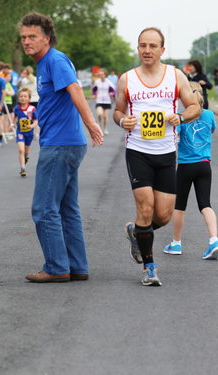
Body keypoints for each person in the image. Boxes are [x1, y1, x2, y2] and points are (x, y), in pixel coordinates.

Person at [19, 13, 103, 283]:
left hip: (60, 145)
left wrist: (91, 124)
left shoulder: (55, 60)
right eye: (23, 37)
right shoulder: (44, 63)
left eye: (33, 37)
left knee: (43, 208)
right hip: (63, 143)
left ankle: (56, 267)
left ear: (46, 37)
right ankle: (77, 266)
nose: (27, 42)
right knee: (67, 208)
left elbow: (75, 89)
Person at [113, 27, 200, 286]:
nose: (147, 50)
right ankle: (149, 269)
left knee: (162, 216)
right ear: (137, 48)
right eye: (142, 45)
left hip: (166, 153)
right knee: (145, 207)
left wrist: (181, 117)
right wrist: (122, 122)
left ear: (162, 50)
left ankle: (136, 231)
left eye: (152, 46)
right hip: (138, 151)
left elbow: (195, 106)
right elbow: (117, 111)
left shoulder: (175, 76)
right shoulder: (127, 79)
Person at [163, 82, 218, 259]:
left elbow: (175, 137)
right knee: (205, 204)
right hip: (204, 165)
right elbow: (213, 130)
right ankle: (214, 240)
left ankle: (176, 243)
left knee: (179, 206)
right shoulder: (209, 114)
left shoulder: (181, 117)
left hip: (186, 166)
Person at [11, 87, 37, 177]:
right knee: (21, 150)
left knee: (26, 151)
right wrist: (13, 124)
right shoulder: (17, 108)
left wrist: (32, 126)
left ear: (29, 98)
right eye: (21, 96)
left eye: (25, 96)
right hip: (20, 132)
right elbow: (14, 117)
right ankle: (22, 168)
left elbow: (36, 120)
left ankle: (26, 156)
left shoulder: (32, 109)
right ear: (19, 98)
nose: (23, 98)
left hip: (29, 133)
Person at [92, 69, 115, 135]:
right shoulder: (97, 82)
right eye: (100, 75)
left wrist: (112, 93)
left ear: (105, 75)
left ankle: (105, 128)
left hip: (107, 101)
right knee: (99, 114)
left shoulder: (109, 82)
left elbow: (114, 91)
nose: (101, 76)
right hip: (99, 100)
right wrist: (94, 95)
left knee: (105, 116)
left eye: (102, 75)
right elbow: (94, 89)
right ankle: (99, 123)